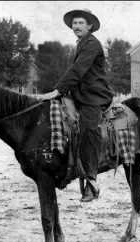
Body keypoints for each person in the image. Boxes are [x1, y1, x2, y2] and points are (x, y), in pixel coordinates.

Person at [40, 8, 114, 202]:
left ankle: (91, 180)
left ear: (89, 26)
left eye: (81, 23)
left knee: (89, 130)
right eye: (74, 23)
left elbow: (78, 70)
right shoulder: (81, 43)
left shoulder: (92, 44)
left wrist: (57, 90)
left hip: (93, 96)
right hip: (80, 95)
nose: (76, 26)